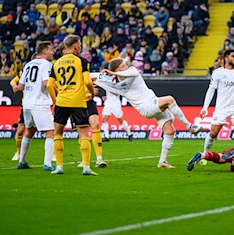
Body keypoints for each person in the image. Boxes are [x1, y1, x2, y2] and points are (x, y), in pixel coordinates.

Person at [95, 58, 202, 168]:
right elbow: (95, 76)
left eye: (125, 65)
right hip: (145, 107)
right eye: (122, 66)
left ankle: (162, 162)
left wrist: (113, 72)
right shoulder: (117, 84)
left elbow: (132, 72)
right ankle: (189, 126)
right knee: (170, 99)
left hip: (152, 101)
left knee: (170, 131)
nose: (126, 67)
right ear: (116, 70)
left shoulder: (132, 71)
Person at [47, 35, 97, 176]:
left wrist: (55, 100)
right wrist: (92, 93)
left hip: (62, 101)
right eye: (79, 45)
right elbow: (87, 81)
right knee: (84, 135)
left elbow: (50, 85)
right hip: (78, 102)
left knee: (58, 134)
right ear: (75, 46)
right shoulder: (81, 61)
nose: (80, 47)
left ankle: (59, 167)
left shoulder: (56, 63)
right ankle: (86, 167)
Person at [200, 49, 234, 165]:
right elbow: (211, 90)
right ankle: (205, 154)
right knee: (213, 133)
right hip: (221, 108)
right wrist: (204, 108)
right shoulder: (217, 73)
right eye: (233, 56)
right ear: (226, 58)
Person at [16, 41, 55, 170]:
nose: (52, 52)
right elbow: (46, 83)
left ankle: (21, 161)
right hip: (40, 103)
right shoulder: (46, 64)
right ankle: (47, 164)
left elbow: (20, 86)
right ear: (44, 51)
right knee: (50, 132)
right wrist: (56, 96)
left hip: (26, 104)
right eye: (50, 50)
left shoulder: (28, 64)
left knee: (30, 131)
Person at [10, 70, 26, 161]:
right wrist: (15, 86)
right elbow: (12, 81)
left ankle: (53, 154)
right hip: (26, 106)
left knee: (49, 131)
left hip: (39, 106)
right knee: (20, 131)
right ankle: (18, 152)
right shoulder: (23, 73)